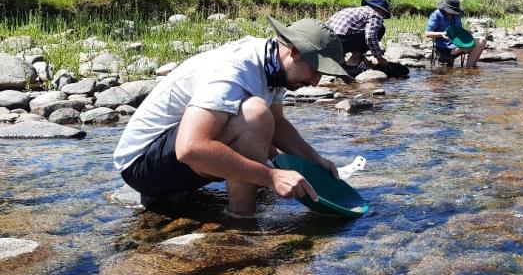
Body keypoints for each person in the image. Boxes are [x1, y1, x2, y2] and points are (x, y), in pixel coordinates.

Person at [112, 17, 349, 217]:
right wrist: (270, 177)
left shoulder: (275, 64)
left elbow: (277, 124)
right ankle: (243, 223)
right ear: (294, 51)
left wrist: (314, 159)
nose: (316, 82)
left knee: (263, 127)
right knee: (255, 114)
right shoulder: (235, 69)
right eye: (316, 70)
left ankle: (238, 207)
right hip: (142, 167)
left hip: (171, 159)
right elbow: (190, 148)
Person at [325, 0, 391, 74]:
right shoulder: (375, 14)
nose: (382, 16)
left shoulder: (350, 9)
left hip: (326, 41)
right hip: (340, 41)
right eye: (383, 14)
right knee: (381, 29)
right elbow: (370, 36)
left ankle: (342, 63)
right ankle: (353, 61)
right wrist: (379, 57)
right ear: (380, 10)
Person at [424, 0, 487, 68]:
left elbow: (459, 30)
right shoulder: (437, 15)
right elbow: (427, 33)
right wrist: (442, 34)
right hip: (444, 47)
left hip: (458, 44)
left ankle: (470, 68)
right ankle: (470, 69)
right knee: (470, 44)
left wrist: (466, 33)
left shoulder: (456, 15)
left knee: (482, 40)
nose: (453, 13)